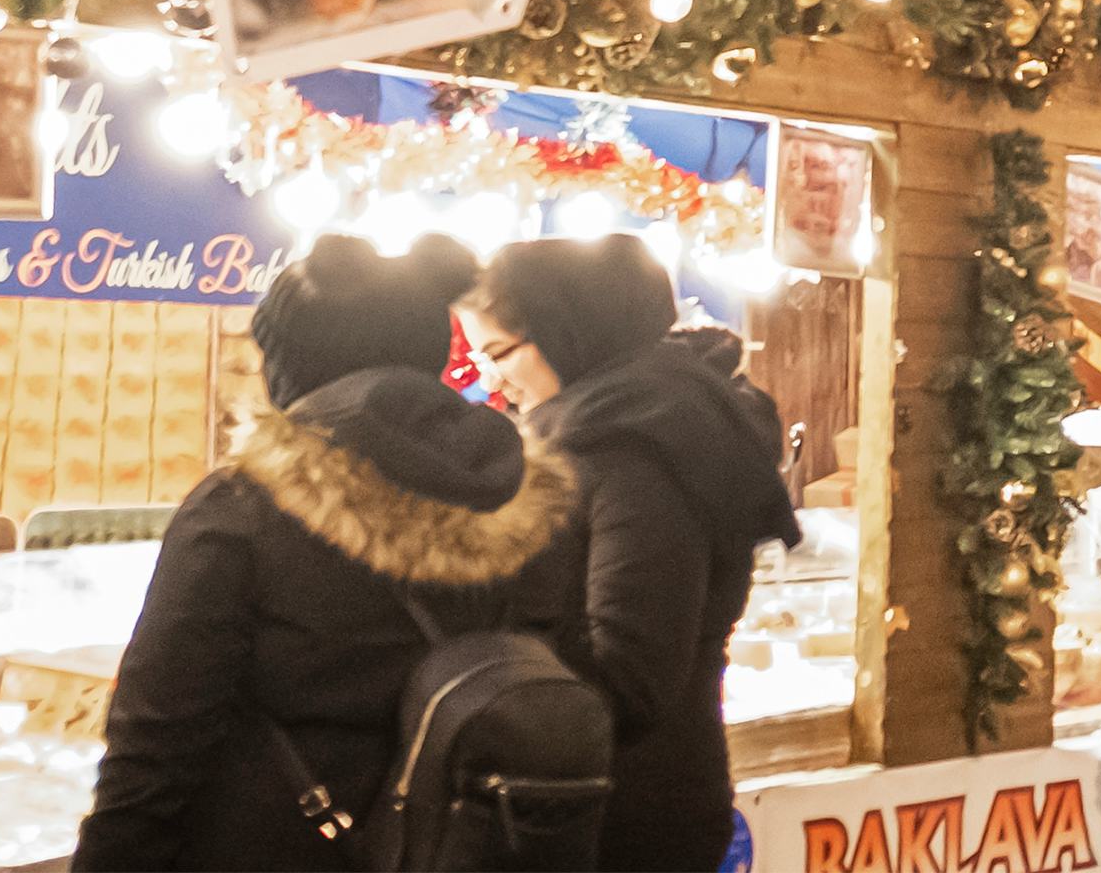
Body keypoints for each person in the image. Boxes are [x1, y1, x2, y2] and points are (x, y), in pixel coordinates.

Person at [76, 233, 585, 870]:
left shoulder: (246, 507)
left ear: (295, 365)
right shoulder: (535, 499)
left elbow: (156, 744)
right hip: (469, 847)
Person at [467, 234, 798, 873]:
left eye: (498, 352)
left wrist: (492, 637)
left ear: (565, 331)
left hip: (625, 817)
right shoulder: (619, 432)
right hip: (602, 800)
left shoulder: (636, 451)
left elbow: (632, 674)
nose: (492, 381)